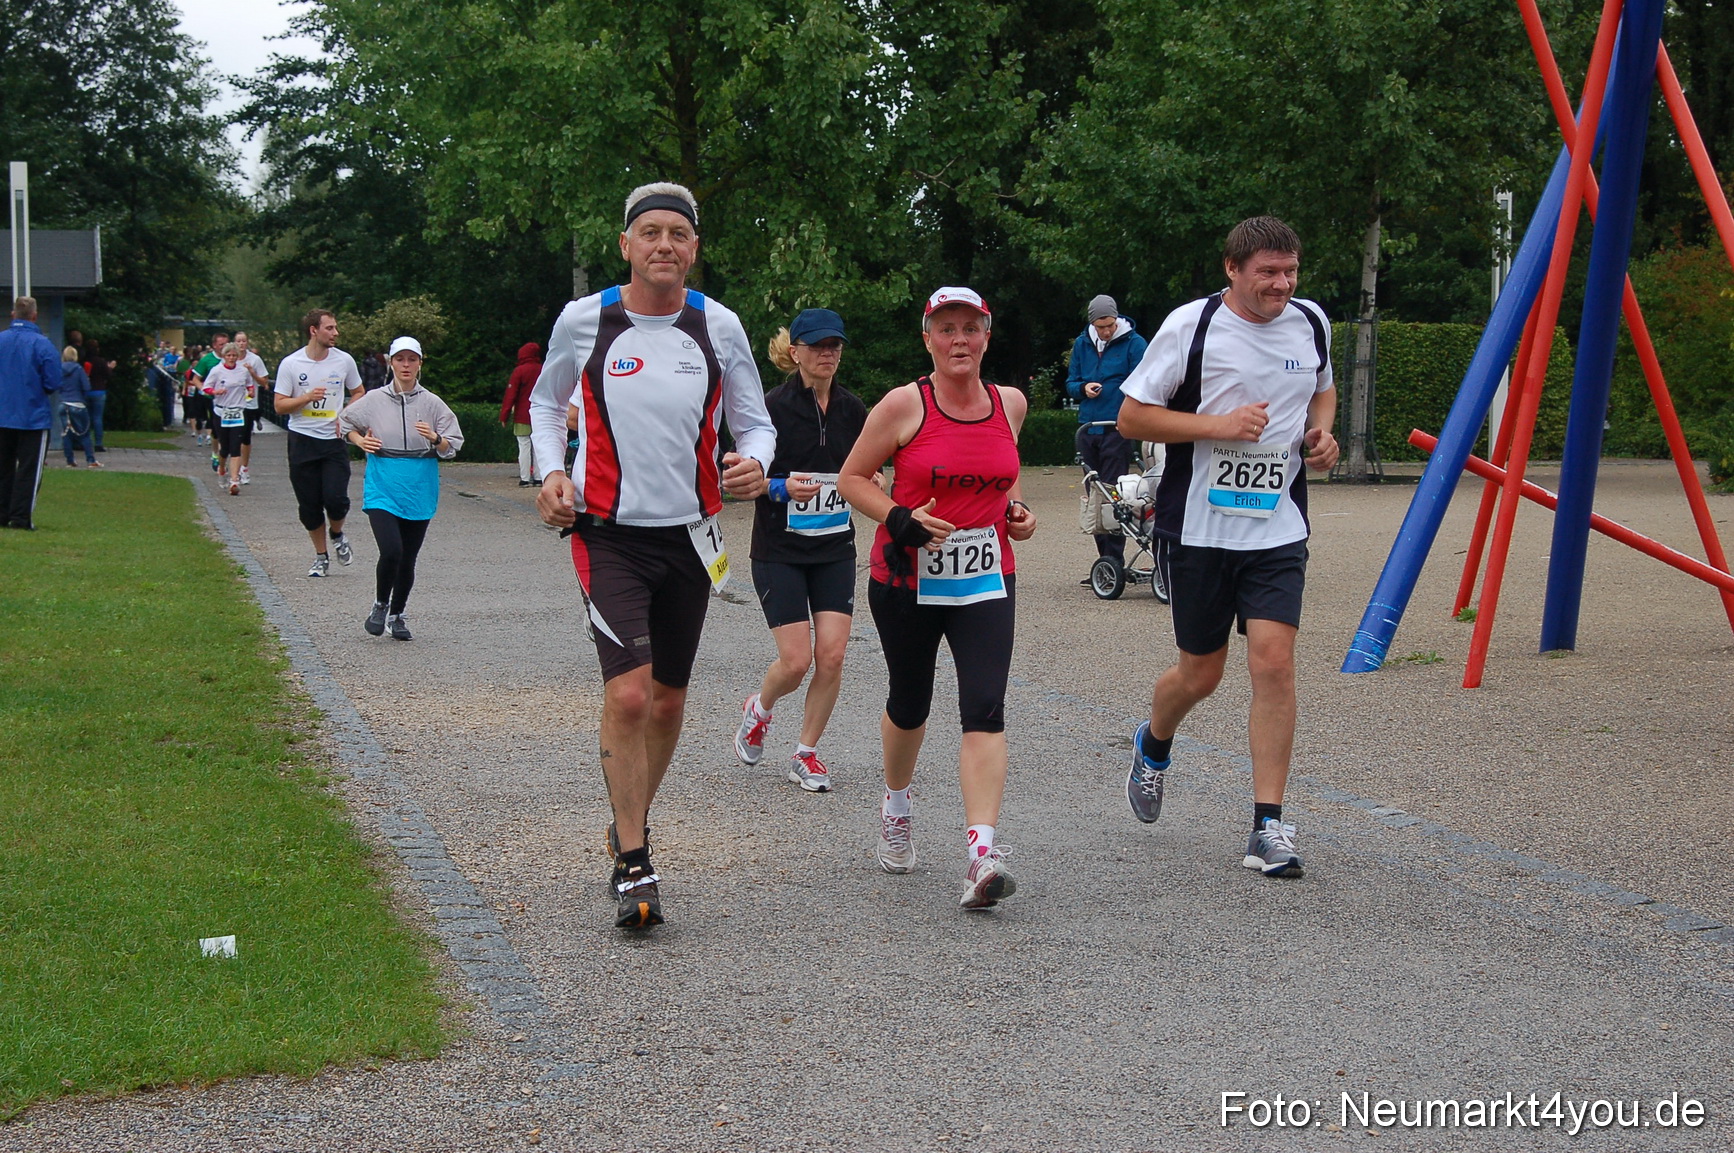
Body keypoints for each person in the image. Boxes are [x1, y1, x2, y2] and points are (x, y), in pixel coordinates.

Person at [530, 181, 774, 930]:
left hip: (692, 538)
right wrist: (551, 471)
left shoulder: (719, 325)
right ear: (626, 244)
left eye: (678, 234)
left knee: (668, 699)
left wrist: (754, 462)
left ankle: (627, 817)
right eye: (650, 233)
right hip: (609, 534)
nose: (664, 245)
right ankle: (635, 859)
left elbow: (755, 424)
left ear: (695, 249)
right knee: (630, 695)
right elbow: (545, 403)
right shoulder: (586, 320)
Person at [1115, 215, 1339, 878]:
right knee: (1200, 674)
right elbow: (1132, 415)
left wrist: (1320, 436)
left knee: (1274, 664)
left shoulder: (1312, 322)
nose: (1282, 284)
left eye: (1290, 270)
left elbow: (1321, 391)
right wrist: (1219, 426)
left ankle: (1268, 825)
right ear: (1232, 270)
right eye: (1268, 272)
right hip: (1199, 529)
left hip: (1278, 528)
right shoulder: (1192, 326)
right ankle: (1154, 743)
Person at [836, 286, 1038, 911]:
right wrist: (899, 517)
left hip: (984, 579)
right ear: (928, 338)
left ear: (986, 334)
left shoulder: (1011, 403)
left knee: (985, 704)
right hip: (907, 580)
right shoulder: (904, 405)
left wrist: (1016, 514)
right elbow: (851, 479)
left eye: (969, 328)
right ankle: (897, 805)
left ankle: (982, 852)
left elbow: (1001, 479)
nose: (959, 340)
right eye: (945, 329)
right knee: (910, 701)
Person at [733, 308, 869, 792]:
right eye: (817, 346)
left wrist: (872, 480)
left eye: (835, 345)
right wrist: (778, 488)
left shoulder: (855, 410)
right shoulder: (768, 408)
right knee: (795, 662)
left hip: (835, 548)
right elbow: (734, 478)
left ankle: (805, 753)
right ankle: (760, 708)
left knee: (831, 656)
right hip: (779, 549)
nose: (828, 353)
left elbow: (868, 468)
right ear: (795, 353)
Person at [340, 335, 463, 640]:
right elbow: (343, 424)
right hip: (383, 481)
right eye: (400, 359)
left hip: (420, 483)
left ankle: (398, 614)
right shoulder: (374, 399)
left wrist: (435, 439)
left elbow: (453, 445)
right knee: (391, 550)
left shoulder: (432, 403)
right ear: (390, 362)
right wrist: (360, 441)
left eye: (412, 360)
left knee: (408, 557)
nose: (406, 365)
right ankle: (381, 603)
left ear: (420, 363)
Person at [274, 309, 364, 578]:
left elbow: (359, 392)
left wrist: (346, 414)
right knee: (309, 506)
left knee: (336, 499)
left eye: (336, 328)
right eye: (330, 328)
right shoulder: (291, 364)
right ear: (314, 330)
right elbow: (279, 405)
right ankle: (321, 556)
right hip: (302, 440)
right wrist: (306, 398)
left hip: (333, 441)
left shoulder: (344, 361)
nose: (336, 333)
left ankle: (337, 534)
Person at [1066, 294, 1149, 569]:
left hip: (1118, 426)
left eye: (1110, 325)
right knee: (1095, 494)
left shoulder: (1134, 344)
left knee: (1115, 492)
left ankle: (1114, 558)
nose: (1106, 331)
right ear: (1092, 323)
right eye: (1101, 326)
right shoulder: (1082, 344)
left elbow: (1144, 381)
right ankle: (1105, 562)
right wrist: (1083, 388)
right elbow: (1071, 382)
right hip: (1089, 427)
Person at [0, 297, 61, 529]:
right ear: (34, 316)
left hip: (2, 412)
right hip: (32, 416)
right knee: (29, 469)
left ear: (13, 314)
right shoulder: (42, 344)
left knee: (2, 467)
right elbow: (53, 381)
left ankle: (2, 512)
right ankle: (20, 516)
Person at [205, 342, 254, 495]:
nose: (231, 358)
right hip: (221, 412)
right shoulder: (217, 371)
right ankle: (221, 469)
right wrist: (215, 391)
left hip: (238, 411)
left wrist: (251, 392)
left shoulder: (243, 371)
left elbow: (249, 385)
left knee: (236, 446)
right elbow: (206, 387)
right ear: (224, 356)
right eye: (228, 355)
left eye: (234, 355)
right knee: (224, 447)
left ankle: (234, 480)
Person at [498, 342, 543, 486]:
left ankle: (525, 478)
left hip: (522, 416)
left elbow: (511, 395)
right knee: (538, 447)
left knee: (524, 446)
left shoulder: (519, 371)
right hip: (540, 415)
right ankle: (538, 477)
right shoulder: (544, 370)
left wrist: (504, 415)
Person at [234, 331, 271, 483]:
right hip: (232, 403)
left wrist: (252, 372)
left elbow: (265, 383)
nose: (241, 344)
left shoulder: (255, 360)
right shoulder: (230, 358)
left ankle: (244, 468)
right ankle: (232, 466)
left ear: (247, 342)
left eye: (244, 341)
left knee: (245, 437)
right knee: (231, 437)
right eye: (238, 341)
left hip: (249, 403)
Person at [58, 347, 101, 469]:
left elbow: (57, 385)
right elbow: (86, 387)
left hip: (63, 404)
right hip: (77, 404)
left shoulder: (59, 369)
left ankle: (70, 460)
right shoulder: (78, 369)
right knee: (84, 433)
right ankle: (90, 460)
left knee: (66, 433)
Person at [84, 339, 113, 453]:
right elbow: (108, 375)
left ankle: (86, 441)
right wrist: (110, 367)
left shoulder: (84, 361)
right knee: (97, 418)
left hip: (86, 390)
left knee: (86, 418)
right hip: (99, 391)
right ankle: (98, 443)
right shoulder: (101, 361)